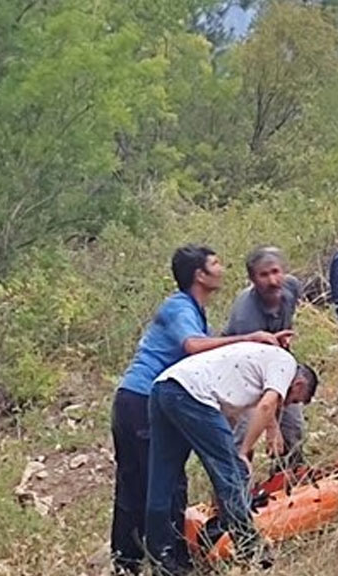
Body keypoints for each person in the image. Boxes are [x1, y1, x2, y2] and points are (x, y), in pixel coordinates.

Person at [110, 245, 289, 574]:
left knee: (141, 482)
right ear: (200, 275)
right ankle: (167, 557)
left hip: (139, 396)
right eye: (216, 263)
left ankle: (134, 560)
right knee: (160, 480)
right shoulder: (180, 308)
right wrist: (251, 339)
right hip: (144, 397)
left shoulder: (193, 310)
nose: (222, 267)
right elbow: (192, 347)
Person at [145, 343, 319, 571]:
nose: (287, 405)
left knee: (162, 477)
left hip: (164, 388)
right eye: (295, 399)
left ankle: (161, 557)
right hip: (192, 393)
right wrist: (243, 451)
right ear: (299, 384)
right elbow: (267, 406)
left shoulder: (252, 369)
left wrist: (254, 438)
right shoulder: (285, 362)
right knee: (232, 471)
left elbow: (230, 419)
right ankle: (250, 548)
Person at [224, 246, 308, 469]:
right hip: (240, 376)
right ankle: (233, 493)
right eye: (264, 275)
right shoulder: (246, 314)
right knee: (245, 436)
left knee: (294, 427)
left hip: (276, 365)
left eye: (275, 271)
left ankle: (289, 483)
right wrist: (271, 428)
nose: (272, 281)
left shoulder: (290, 287)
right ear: (252, 279)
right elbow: (256, 377)